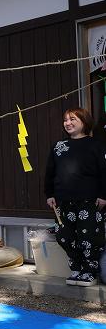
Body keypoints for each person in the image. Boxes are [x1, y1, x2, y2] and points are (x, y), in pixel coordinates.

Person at [44, 107, 106, 287]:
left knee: (89, 237)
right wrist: (50, 194)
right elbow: (50, 173)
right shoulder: (58, 146)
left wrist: (104, 195)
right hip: (63, 201)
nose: (68, 123)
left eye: (73, 119)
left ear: (84, 122)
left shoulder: (97, 145)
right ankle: (77, 267)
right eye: (65, 120)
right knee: (64, 236)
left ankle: (90, 271)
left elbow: (104, 172)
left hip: (90, 201)